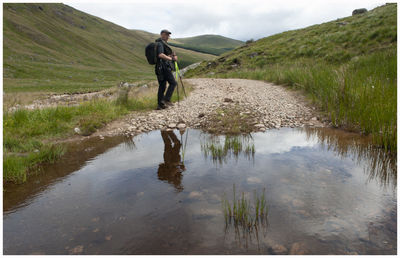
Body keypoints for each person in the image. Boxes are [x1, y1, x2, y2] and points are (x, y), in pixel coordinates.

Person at [155, 29, 178, 110]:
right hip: (164, 67)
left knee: (162, 86)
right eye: (167, 35)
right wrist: (171, 59)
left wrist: (171, 55)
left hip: (159, 68)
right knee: (173, 83)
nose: (168, 36)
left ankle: (160, 104)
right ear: (162, 34)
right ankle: (166, 100)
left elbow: (163, 55)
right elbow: (160, 55)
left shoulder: (159, 43)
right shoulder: (160, 43)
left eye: (168, 35)